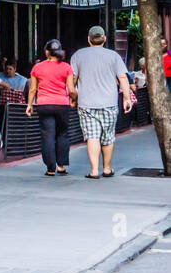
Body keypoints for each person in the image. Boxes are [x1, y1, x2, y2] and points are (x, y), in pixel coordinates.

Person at [70, 25, 134, 179]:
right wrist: (127, 98)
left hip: (86, 103)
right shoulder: (113, 56)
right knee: (108, 137)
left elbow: (72, 80)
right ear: (104, 39)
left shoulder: (78, 55)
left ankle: (93, 171)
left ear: (89, 39)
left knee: (92, 136)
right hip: (109, 103)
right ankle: (106, 168)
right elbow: (123, 78)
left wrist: (73, 98)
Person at [26, 40, 76, 177]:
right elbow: (71, 90)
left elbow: (32, 89)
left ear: (46, 52)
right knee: (62, 134)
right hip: (62, 104)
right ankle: (61, 166)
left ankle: (50, 168)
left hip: (43, 104)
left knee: (47, 135)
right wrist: (74, 99)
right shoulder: (66, 67)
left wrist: (29, 105)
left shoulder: (37, 67)